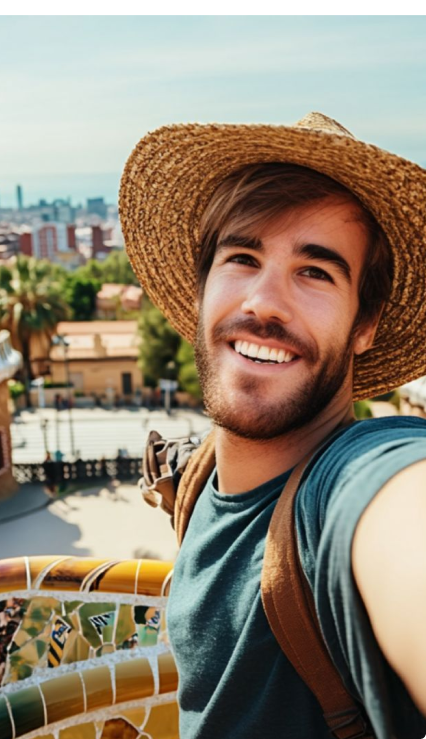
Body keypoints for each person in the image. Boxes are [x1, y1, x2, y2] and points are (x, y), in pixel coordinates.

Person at [119, 112, 426, 738]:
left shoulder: (358, 482)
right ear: (203, 287)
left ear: (364, 324)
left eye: (316, 271)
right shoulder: (203, 476)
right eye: (241, 257)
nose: (263, 302)